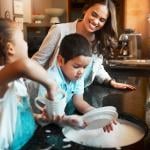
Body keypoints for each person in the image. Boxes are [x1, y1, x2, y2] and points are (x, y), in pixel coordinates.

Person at [32, 0, 135, 90]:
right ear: (85, 9)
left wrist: (110, 82)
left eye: (102, 20)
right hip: (53, 93)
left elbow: (96, 67)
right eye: (94, 14)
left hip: (78, 95)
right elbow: (37, 62)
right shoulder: (59, 30)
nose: (95, 21)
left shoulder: (99, 41)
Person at [38, 33, 116, 131]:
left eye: (84, 67)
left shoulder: (77, 76)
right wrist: (69, 120)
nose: (81, 71)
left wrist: (98, 115)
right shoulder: (51, 79)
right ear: (60, 61)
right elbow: (50, 115)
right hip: (42, 122)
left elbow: (79, 102)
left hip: (60, 117)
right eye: (76, 66)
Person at [0, 18, 58, 150]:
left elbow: (15, 114)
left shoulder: (17, 80)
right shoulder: (1, 77)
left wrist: (37, 118)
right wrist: (51, 85)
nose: (26, 43)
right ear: (10, 48)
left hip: (27, 142)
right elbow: (25, 65)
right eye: (22, 39)